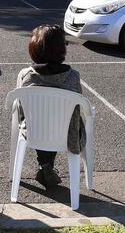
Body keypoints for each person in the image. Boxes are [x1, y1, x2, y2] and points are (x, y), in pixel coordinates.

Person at [16, 24, 86, 188]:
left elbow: (19, 107)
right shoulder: (73, 77)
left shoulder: (26, 76)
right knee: (60, 120)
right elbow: (77, 108)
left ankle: (45, 165)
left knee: (39, 120)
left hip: (34, 131)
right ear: (61, 51)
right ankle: (47, 166)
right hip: (67, 133)